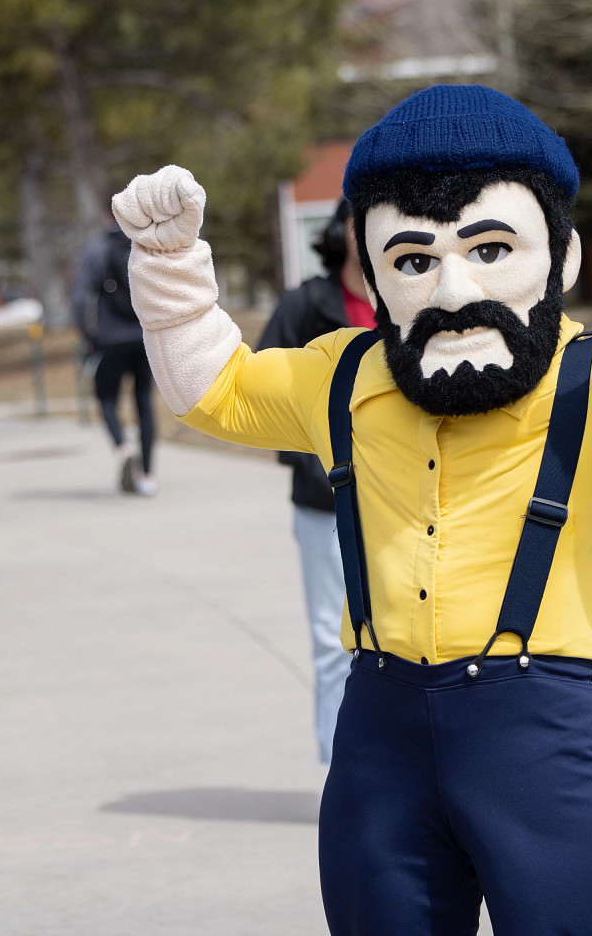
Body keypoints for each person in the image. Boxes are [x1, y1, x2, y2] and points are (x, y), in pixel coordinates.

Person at [111, 85, 592, 936]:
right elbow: (211, 389)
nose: (455, 289)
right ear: (373, 272)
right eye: (414, 260)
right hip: (378, 734)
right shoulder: (341, 375)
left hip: (535, 734)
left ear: (562, 257)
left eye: (491, 248)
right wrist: (168, 265)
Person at [255, 200, 370, 765]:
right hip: (325, 502)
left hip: (409, 502)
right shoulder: (304, 305)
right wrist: (315, 466)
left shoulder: (420, 296)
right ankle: (338, 774)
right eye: (359, 216)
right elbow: (262, 389)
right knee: (332, 640)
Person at [74, 219, 156, 495]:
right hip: (145, 336)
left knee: (107, 398)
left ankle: (123, 448)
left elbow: (80, 298)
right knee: (143, 402)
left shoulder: (97, 250)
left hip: (110, 339)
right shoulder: (144, 246)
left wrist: (88, 336)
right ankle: (147, 476)